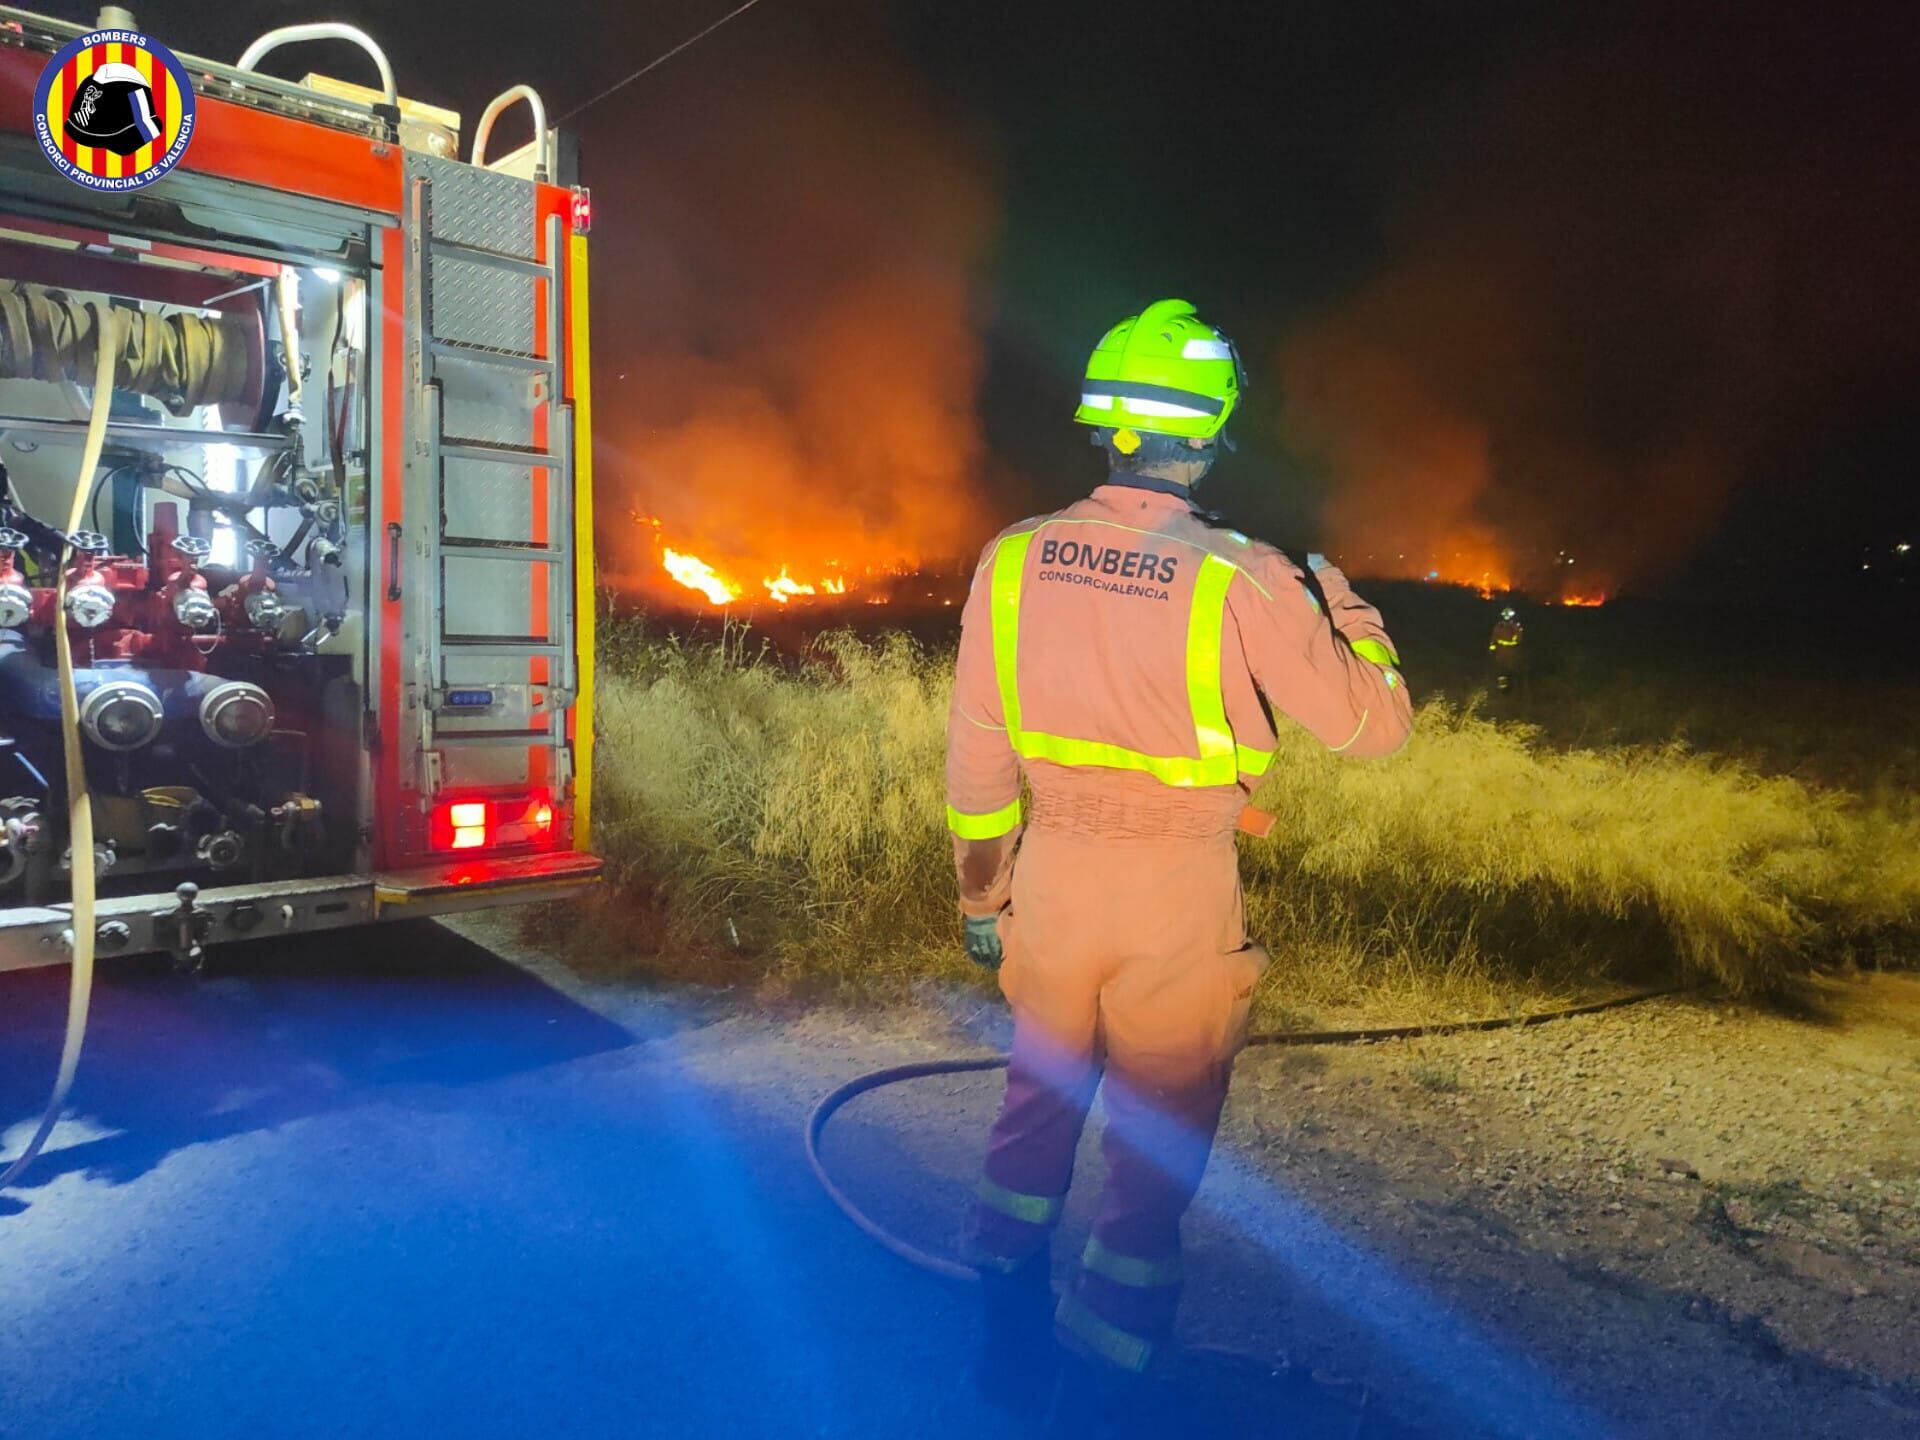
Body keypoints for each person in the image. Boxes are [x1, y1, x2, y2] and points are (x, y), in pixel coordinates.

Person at [944, 298, 1414, 1429]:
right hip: (1177, 892)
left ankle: (994, 1348)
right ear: (1207, 439)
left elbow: (977, 763)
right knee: (1154, 1149)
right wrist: (1349, 610)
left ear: (1104, 429)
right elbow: (1377, 733)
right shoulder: (1242, 576)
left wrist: (983, 898)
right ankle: (1108, 1377)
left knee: (1035, 1106)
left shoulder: (1011, 561)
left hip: (1050, 882)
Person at [1489, 605, 1525, 693]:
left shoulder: (1516, 627)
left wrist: (1509, 643)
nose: (1507, 617)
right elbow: (1493, 638)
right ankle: (1502, 690)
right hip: (1501, 654)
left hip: (1511, 653)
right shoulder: (1498, 626)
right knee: (1501, 672)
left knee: (1511, 672)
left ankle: (1513, 690)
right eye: (1505, 615)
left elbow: (1518, 640)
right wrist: (1492, 649)